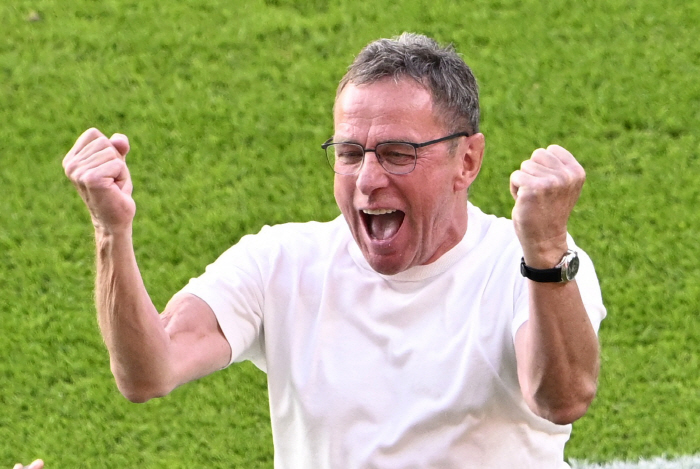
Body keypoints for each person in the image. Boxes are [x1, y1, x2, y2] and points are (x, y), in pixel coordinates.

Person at [62, 33, 605, 468]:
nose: (367, 180)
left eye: (397, 153)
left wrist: (545, 249)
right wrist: (111, 232)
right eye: (349, 153)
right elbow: (150, 370)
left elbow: (562, 399)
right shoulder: (280, 263)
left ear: (466, 161)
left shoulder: (530, 266)